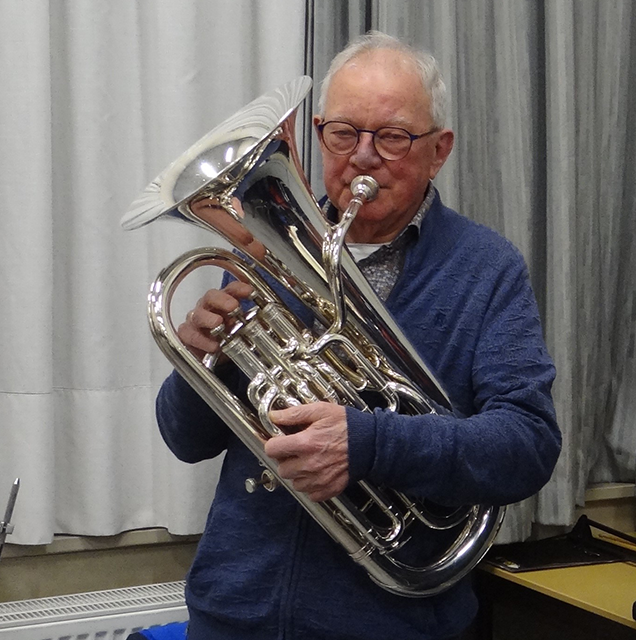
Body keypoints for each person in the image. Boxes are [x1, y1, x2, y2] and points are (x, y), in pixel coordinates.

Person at [156, 32, 561, 639]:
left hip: (390, 624)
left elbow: (527, 445)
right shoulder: (262, 249)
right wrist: (198, 363)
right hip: (234, 615)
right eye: (343, 133)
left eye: (392, 136)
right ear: (319, 133)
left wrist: (368, 444)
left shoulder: (486, 269)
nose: (363, 157)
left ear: (439, 150)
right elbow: (185, 440)